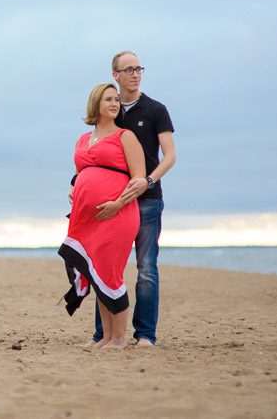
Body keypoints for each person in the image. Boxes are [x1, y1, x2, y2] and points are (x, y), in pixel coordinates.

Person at [90, 50, 176, 348]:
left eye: (138, 68)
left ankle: (145, 335)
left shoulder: (155, 110)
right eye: (128, 69)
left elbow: (170, 156)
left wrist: (148, 180)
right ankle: (103, 334)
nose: (135, 74)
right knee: (105, 268)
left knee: (146, 269)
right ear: (115, 74)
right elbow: (95, 155)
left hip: (148, 200)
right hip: (112, 203)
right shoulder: (110, 109)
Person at [58, 83, 145, 350]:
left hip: (118, 214)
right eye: (108, 99)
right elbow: (80, 172)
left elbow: (139, 178)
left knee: (110, 272)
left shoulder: (125, 136)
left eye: (117, 99)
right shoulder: (82, 139)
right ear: (96, 103)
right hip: (86, 218)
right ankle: (106, 336)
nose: (114, 103)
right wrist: (76, 188)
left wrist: (117, 204)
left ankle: (119, 338)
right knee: (96, 273)